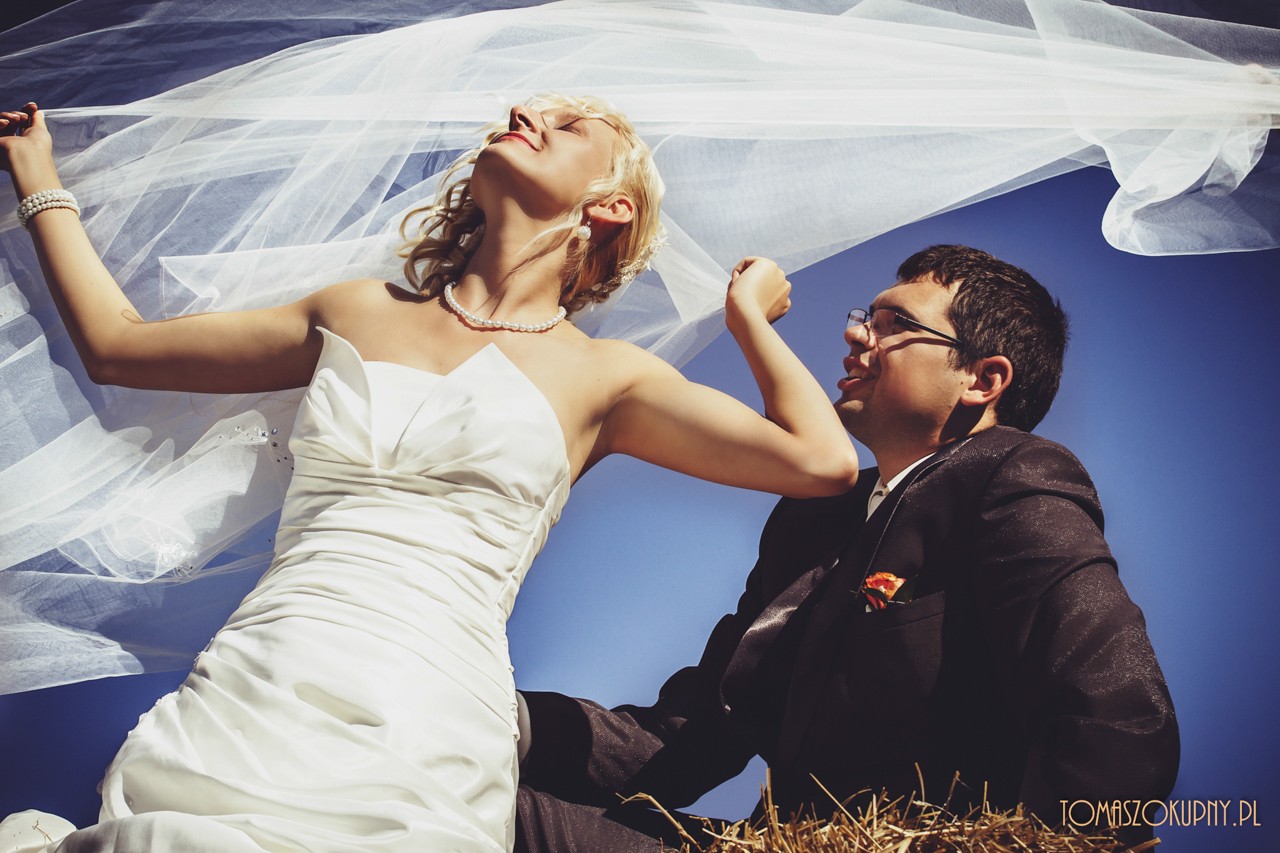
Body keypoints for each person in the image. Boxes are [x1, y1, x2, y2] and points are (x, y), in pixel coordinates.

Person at [0, 93, 857, 852]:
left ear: (610, 205)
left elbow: (821, 462)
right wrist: (41, 182)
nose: (523, 117)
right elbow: (116, 347)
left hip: (433, 707)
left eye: (564, 126)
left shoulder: (609, 378)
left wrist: (748, 317)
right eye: (524, 111)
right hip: (263, 675)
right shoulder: (354, 310)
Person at [514, 244, 1180, 850]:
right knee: (482, 808)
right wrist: (496, 713)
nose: (856, 331)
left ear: (982, 380)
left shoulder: (1013, 474)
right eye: (869, 315)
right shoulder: (811, 519)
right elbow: (686, 737)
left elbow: (1116, 716)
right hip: (757, 844)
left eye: (895, 325)